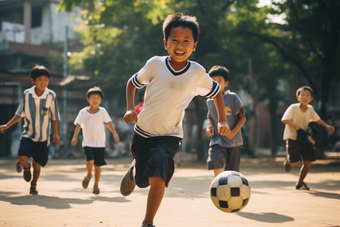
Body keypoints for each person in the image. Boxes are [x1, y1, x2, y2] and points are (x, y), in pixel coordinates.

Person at [120, 13, 230, 227]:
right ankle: (134, 172)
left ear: (194, 45)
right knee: (143, 179)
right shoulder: (155, 65)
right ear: (165, 43)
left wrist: (222, 120)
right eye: (175, 40)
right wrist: (129, 108)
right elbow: (132, 83)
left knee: (159, 173)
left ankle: (148, 222)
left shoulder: (197, 72)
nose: (180, 45)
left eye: (186, 41)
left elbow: (216, 92)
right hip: (143, 132)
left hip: (170, 135)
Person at [0, 65, 60, 194]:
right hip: (28, 134)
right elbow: (19, 113)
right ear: (33, 80)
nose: (43, 82)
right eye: (40, 79)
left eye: (46, 79)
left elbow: (55, 116)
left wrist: (55, 133)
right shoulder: (27, 94)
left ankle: (33, 185)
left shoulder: (51, 95)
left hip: (43, 137)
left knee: (37, 165)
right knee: (21, 154)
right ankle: (26, 168)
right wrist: (6, 125)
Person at [282, 86, 334, 190]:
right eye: (303, 95)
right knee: (295, 163)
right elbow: (284, 119)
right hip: (293, 137)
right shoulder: (293, 107)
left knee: (308, 161)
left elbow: (317, 119)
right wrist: (297, 128)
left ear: (311, 99)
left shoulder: (310, 109)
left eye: (307, 95)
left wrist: (327, 126)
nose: (305, 97)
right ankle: (289, 160)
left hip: (305, 138)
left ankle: (300, 182)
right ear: (298, 97)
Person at [71, 86, 120, 194]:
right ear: (88, 99)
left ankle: (96, 185)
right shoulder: (83, 112)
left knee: (97, 166)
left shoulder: (102, 111)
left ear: (101, 100)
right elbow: (78, 125)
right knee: (90, 160)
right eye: (93, 97)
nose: (95, 100)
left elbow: (108, 123)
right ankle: (89, 174)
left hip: (100, 143)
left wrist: (114, 133)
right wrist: (75, 136)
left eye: (98, 98)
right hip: (88, 142)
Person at [205, 65, 246, 176]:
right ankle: (219, 184)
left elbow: (243, 117)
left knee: (232, 172)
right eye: (213, 81)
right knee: (214, 160)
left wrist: (232, 132)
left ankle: (229, 189)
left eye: (219, 80)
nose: (216, 83)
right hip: (217, 139)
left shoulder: (233, 97)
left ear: (226, 83)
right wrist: (209, 127)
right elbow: (211, 117)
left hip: (233, 140)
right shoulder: (209, 101)